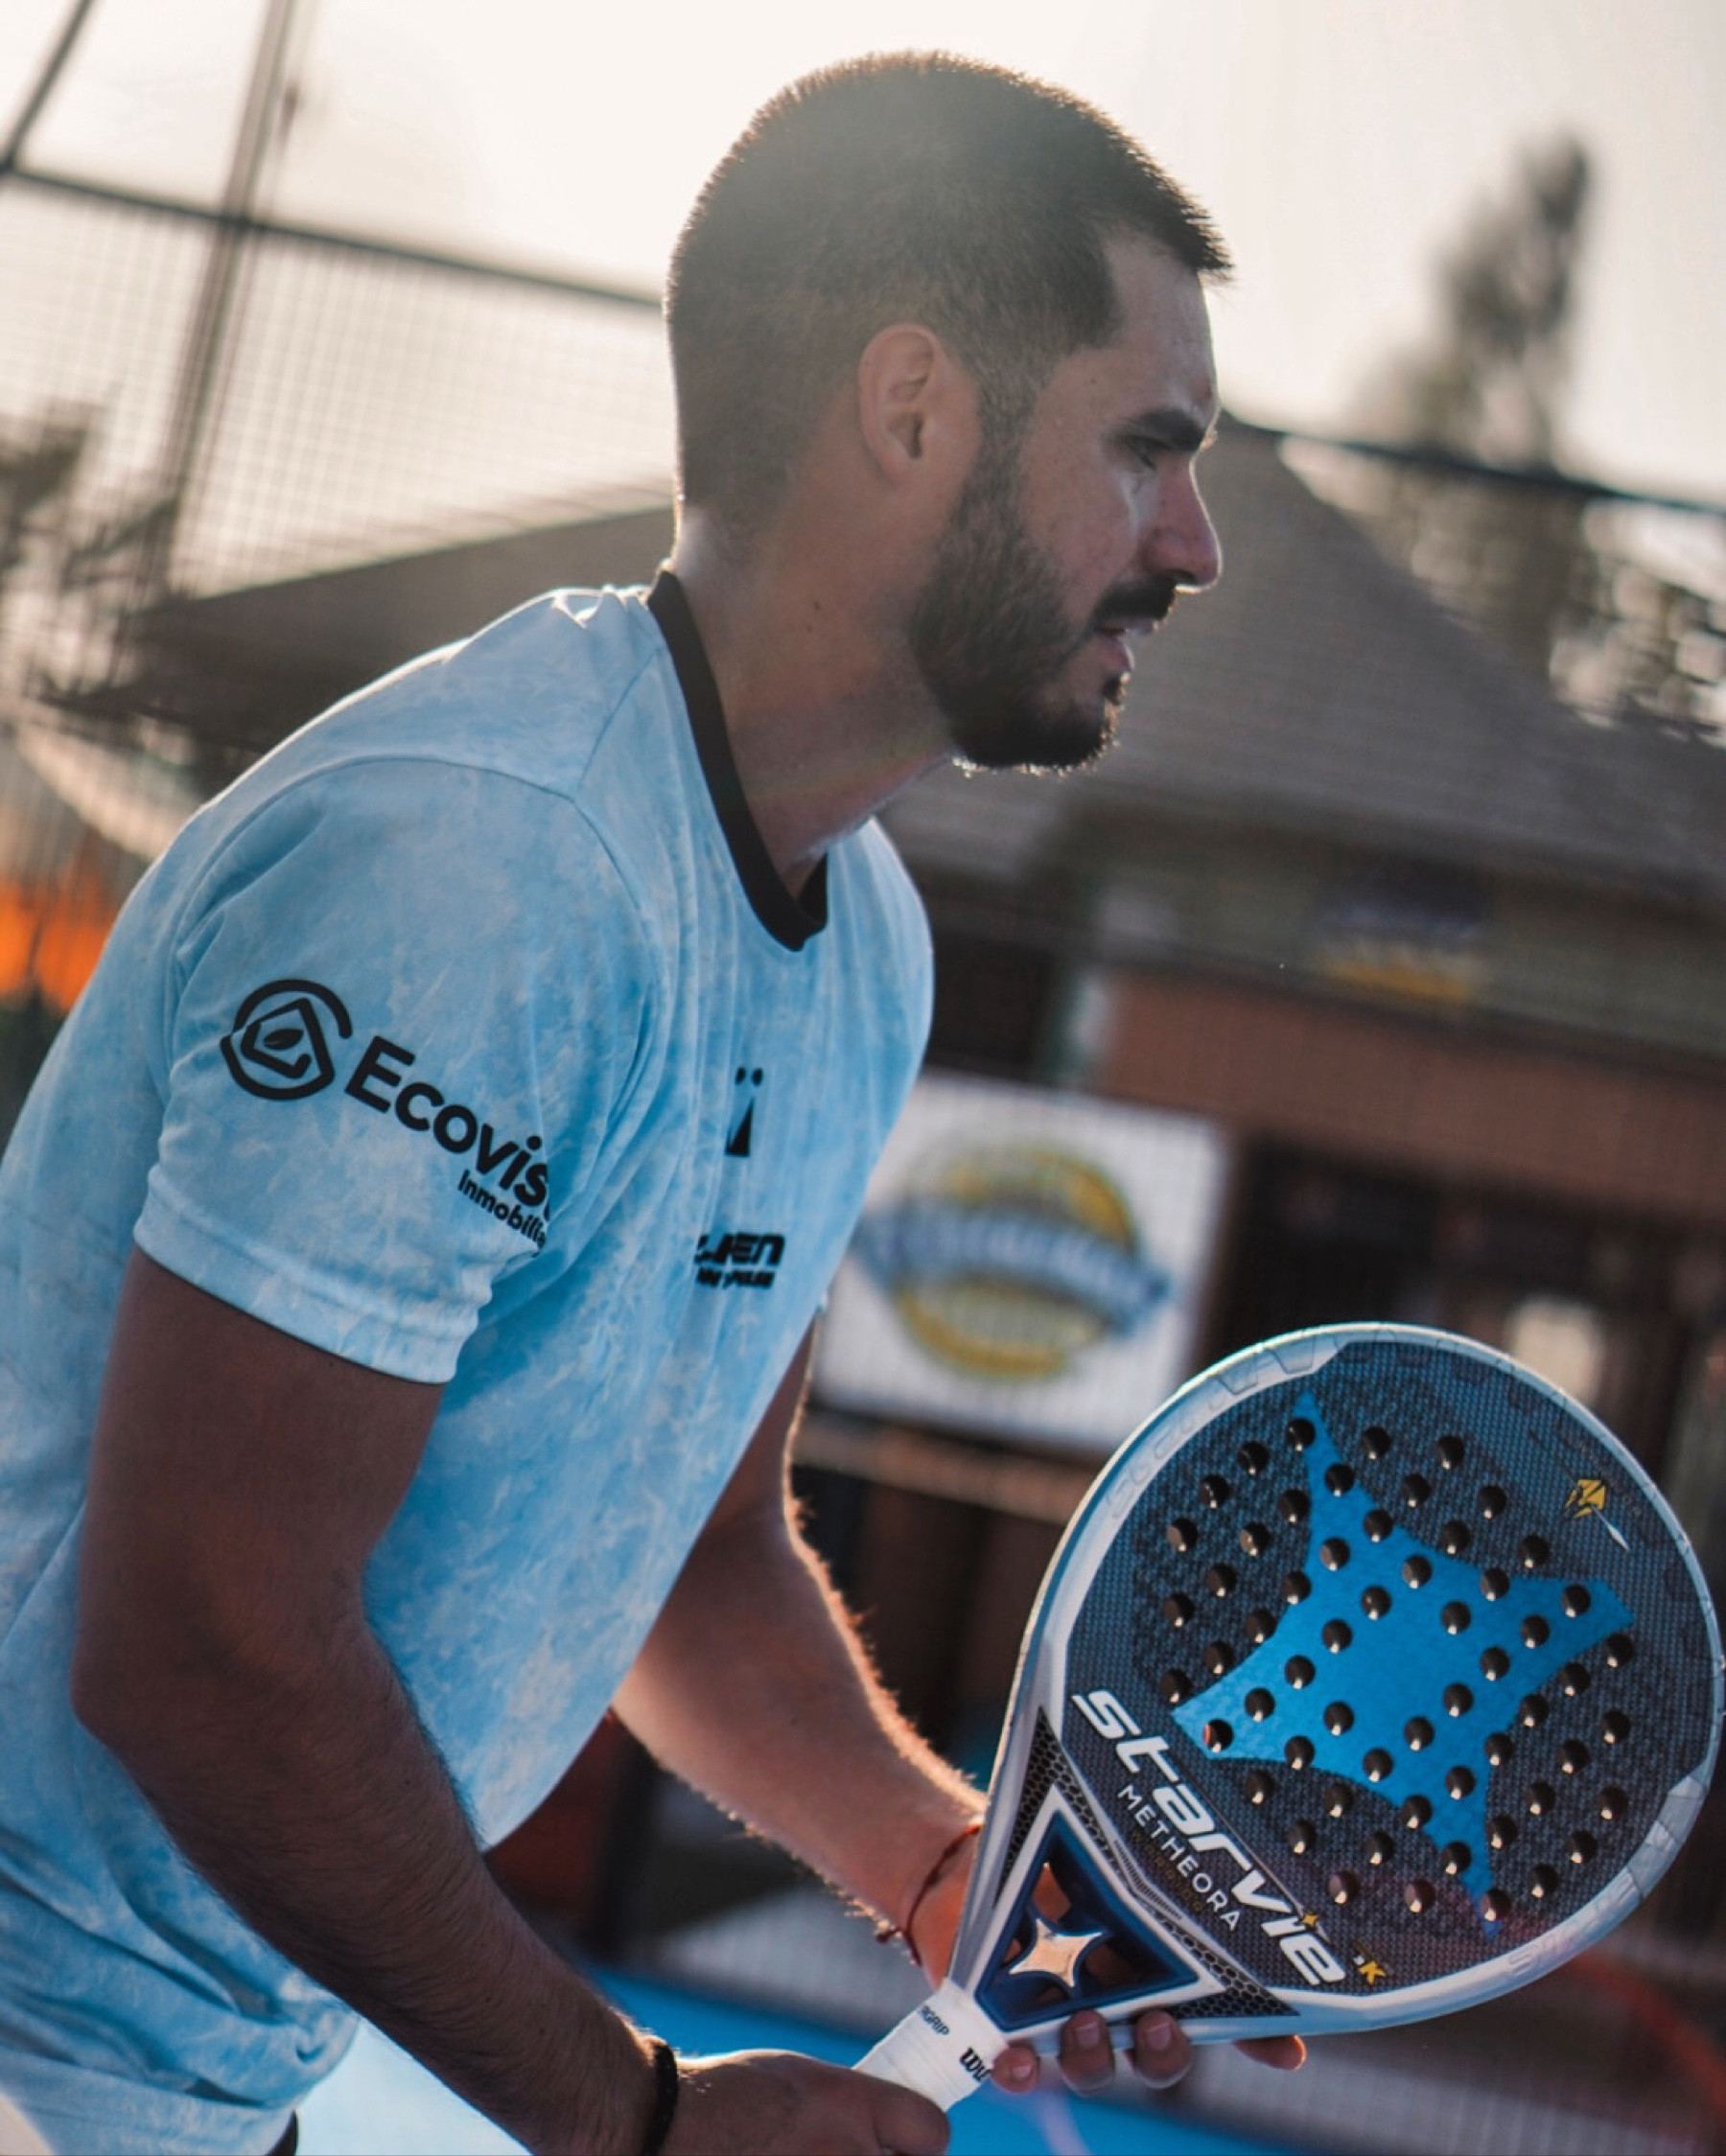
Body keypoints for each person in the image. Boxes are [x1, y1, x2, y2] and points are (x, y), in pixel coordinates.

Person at [0, 52, 1303, 2156]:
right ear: (913, 409)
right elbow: (201, 1646)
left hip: (196, 2084)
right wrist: (645, 2121)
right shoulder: (480, 863)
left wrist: (947, 1867)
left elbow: (695, 1563)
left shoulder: (867, 945)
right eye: (1148, 446)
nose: (1197, 543)